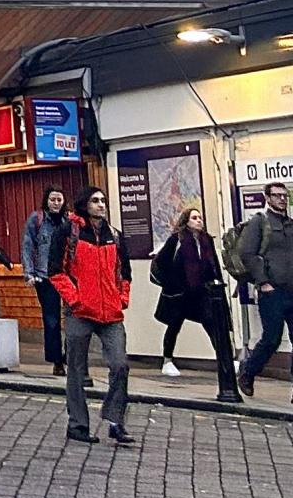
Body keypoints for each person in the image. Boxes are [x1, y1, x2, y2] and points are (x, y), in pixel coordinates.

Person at [49, 186, 133, 445]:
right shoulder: (68, 231)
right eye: (96, 201)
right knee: (75, 369)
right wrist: (75, 299)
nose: (101, 205)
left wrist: (122, 299)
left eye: (104, 201)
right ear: (85, 204)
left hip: (111, 313)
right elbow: (55, 270)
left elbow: (125, 274)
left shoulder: (115, 236)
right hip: (80, 312)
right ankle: (78, 425)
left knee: (120, 365)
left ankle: (115, 421)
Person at [151, 207, 241, 401]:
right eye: (194, 218)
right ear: (186, 221)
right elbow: (161, 263)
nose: (198, 221)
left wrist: (216, 282)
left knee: (212, 323)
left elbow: (213, 264)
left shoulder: (206, 240)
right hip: (181, 292)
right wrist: (172, 283)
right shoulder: (177, 240)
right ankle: (167, 360)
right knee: (174, 325)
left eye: (200, 217)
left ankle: (224, 358)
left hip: (203, 291)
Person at [236, 179, 293, 397]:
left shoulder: (290, 224)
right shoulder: (260, 222)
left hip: (291, 289)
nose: (281, 199)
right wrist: (263, 282)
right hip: (272, 292)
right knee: (272, 338)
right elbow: (247, 253)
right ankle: (248, 372)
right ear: (267, 198)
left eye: (284, 195)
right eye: (277, 195)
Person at [23, 189, 72, 376]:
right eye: (53, 199)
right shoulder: (37, 219)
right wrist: (29, 272)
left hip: (67, 276)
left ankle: (71, 356)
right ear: (46, 201)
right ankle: (57, 361)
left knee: (72, 319)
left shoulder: (69, 220)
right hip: (45, 276)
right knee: (51, 321)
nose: (56, 203)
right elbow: (28, 245)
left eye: (60, 199)